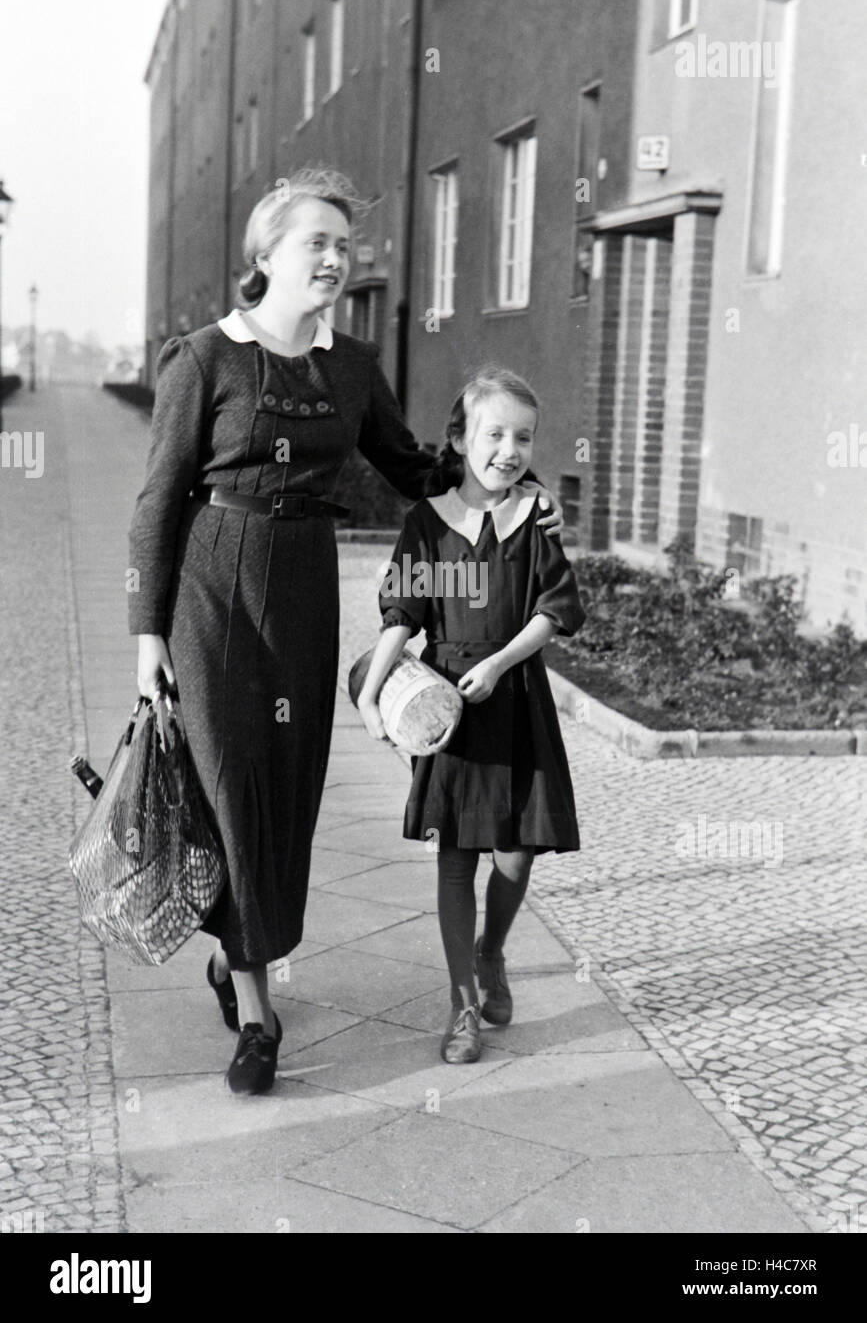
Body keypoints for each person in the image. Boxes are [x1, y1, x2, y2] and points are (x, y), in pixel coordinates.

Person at [128, 169, 565, 1094]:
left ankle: (232, 953)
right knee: (231, 791)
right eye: (315, 243)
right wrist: (146, 636)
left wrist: (512, 485)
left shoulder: (352, 369)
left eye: (343, 245)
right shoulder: (203, 359)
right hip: (211, 590)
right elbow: (158, 502)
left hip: (304, 591)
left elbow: (412, 468)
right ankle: (257, 1016)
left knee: (286, 798)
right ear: (265, 255)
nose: (334, 259)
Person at [357, 365, 584, 1064]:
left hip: (514, 698)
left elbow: (557, 609)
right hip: (449, 707)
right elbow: (406, 612)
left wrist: (502, 661)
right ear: (459, 438)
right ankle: (462, 1010)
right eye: (493, 434)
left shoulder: (532, 520)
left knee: (516, 852)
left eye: (523, 437)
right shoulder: (429, 524)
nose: (508, 450)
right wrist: (370, 686)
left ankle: (491, 953)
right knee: (456, 856)